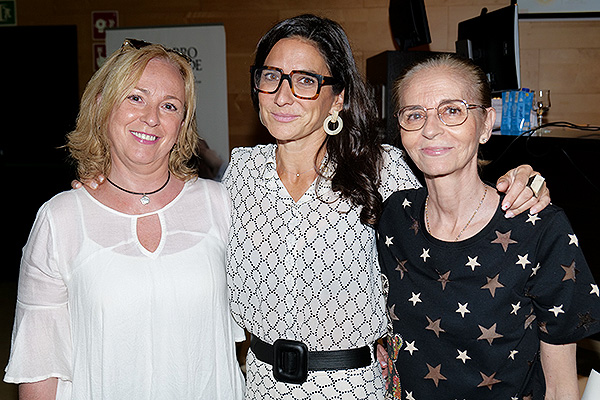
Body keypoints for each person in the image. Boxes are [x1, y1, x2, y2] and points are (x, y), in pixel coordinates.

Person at [223, 14, 550, 400]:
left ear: (338, 98)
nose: (282, 95)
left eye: (305, 81)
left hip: (349, 388)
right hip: (258, 384)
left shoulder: (381, 169)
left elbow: (458, 220)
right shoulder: (241, 172)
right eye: (270, 76)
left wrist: (524, 180)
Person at [3, 39, 245, 399]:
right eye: (136, 97)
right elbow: (40, 363)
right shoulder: (61, 219)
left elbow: (257, 324)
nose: (151, 117)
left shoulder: (220, 205)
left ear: (182, 124)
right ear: (103, 106)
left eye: (169, 105)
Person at [376, 53, 600, 400]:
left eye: (452, 110)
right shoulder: (394, 218)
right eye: (414, 115)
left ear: (485, 124)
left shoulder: (539, 228)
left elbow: (560, 388)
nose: (430, 129)